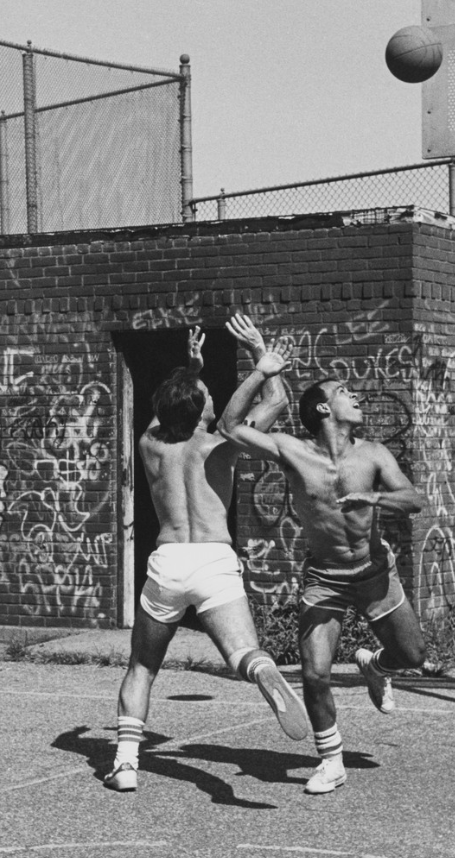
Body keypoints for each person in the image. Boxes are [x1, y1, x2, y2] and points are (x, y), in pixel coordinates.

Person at [104, 316, 307, 793]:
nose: (213, 397)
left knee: (142, 668)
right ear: (201, 408)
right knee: (244, 653)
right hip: (214, 561)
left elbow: (166, 409)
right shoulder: (222, 445)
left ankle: (126, 765)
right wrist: (260, 357)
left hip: (169, 562)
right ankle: (261, 670)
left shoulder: (150, 445)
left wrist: (190, 370)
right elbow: (276, 401)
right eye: (208, 395)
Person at [217, 355, 427, 795]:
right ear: (323, 408)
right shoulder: (293, 450)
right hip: (324, 578)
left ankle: (375, 665)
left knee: (412, 656)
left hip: (374, 572)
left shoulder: (373, 453)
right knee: (314, 674)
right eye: (344, 392)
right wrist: (262, 372)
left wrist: (373, 498)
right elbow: (230, 426)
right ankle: (331, 761)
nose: (356, 396)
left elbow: (413, 500)